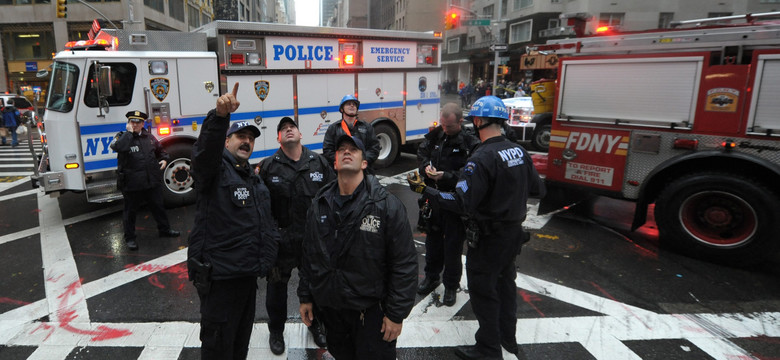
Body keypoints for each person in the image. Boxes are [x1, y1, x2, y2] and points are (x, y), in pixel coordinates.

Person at [407, 96, 545, 360]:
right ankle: (508, 339)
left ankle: (488, 348)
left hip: (489, 238)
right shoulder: (518, 151)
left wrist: (427, 190)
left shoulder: (481, 157)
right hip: (512, 235)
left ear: (478, 121)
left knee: (484, 292)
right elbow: (538, 189)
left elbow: (461, 202)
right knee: (506, 288)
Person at [298, 134, 417, 360]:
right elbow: (309, 253)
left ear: (364, 163)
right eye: (341, 149)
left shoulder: (386, 205)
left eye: (353, 149)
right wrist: (305, 296)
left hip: (371, 315)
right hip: (333, 313)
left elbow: (404, 263)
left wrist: (395, 314)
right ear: (334, 162)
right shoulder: (319, 203)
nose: (346, 151)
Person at [187, 83, 279, 360]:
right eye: (240, 136)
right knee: (218, 349)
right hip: (220, 280)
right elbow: (204, 155)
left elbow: (261, 224)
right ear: (226, 141)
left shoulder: (251, 176)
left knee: (239, 346)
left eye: (251, 138)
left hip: (246, 277)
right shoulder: (214, 170)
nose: (247, 141)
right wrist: (219, 118)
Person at [257, 116, 334, 355]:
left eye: (292, 127)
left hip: (313, 240)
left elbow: (332, 197)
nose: (288, 130)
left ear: (301, 135)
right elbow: (261, 206)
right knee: (277, 288)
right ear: (278, 138)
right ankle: (276, 331)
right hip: (281, 241)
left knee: (315, 285)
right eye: (283, 129)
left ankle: (315, 324)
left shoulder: (318, 163)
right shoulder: (268, 166)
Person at [415, 103, 480, 306]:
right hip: (434, 198)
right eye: (443, 125)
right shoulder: (436, 136)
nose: (445, 129)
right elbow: (422, 153)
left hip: (455, 200)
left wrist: (447, 176)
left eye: (449, 126)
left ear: (460, 121)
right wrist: (426, 167)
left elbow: (473, 171)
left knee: (452, 245)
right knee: (433, 241)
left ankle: (451, 285)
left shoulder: (470, 142)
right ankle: (432, 276)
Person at [110, 110, 180, 251]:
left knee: (158, 207)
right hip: (132, 184)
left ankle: (165, 230)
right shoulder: (122, 137)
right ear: (128, 123)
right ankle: (130, 239)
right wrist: (129, 133)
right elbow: (118, 147)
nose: (135, 125)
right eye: (132, 122)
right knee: (130, 212)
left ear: (143, 124)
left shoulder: (149, 137)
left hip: (151, 181)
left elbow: (161, 152)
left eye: (138, 122)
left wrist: (164, 160)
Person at [322, 94, 380, 170]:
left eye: (354, 104)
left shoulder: (366, 127)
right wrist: (343, 162)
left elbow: (374, 148)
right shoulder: (333, 128)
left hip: (363, 171)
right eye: (348, 104)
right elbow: (328, 150)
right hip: (341, 171)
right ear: (342, 109)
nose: (352, 106)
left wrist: (360, 161)